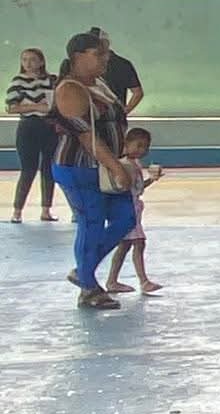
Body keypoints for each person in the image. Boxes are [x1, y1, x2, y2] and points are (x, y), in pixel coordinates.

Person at [48, 31, 132, 309]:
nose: (105, 59)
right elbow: (86, 136)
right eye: (98, 54)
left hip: (105, 168)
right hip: (79, 168)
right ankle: (88, 287)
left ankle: (84, 269)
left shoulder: (100, 83)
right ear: (77, 57)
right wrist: (116, 166)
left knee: (126, 218)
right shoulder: (69, 90)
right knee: (91, 223)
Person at [102, 127, 162, 294]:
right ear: (127, 144)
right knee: (138, 243)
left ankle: (112, 280)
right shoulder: (124, 165)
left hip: (133, 208)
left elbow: (137, 188)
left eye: (145, 147)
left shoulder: (135, 164)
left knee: (125, 246)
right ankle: (143, 281)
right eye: (138, 145)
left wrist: (152, 180)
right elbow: (125, 187)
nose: (142, 150)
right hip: (128, 209)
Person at [8, 47, 58, 222]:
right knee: (28, 169)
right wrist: (36, 107)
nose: (28, 63)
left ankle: (46, 210)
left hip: (49, 127)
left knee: (48, 169)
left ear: (41, 62)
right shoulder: (18, 81)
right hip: (28, 127)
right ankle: (17, 211)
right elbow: (11, 107)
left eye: (32, 59)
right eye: (25, 60)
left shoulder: (51, 80)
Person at [90, 28, 143, 115]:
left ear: (106, 43)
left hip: (109, 117)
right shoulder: (123, 64)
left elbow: (138, 93)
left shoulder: (122, 64)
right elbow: (138, 93)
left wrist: (123, 113)